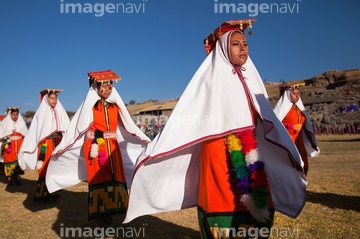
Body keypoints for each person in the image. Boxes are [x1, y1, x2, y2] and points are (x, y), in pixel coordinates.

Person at [124, 20, 307, 239]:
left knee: (257, 200)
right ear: (223, 48)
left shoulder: (252, 83)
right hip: (219, 151)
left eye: (245, 44)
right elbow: (189, 117)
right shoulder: (209, 82)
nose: (243, 48)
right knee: (223, 198)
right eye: (236, 44)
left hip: (251, 147)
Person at [45, 70, 150, 228]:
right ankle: (98, 217)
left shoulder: (115, 107)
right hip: (95, 146)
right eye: (103, 87)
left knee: (114, 177)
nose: (107, 90)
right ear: (96, 87)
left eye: (110, 87)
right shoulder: (90, 106)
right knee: (98, 178)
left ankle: (110, 213)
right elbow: (79, 126)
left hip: (112, 147)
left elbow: (127, 125)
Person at [18, 89, 70, 201]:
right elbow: (37, 130)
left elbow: (66, 126)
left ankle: (54, 192)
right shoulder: (41, 112)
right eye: (51, 98)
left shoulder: (60, 111)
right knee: (45, 166)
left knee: (55, 166)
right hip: (46, 144)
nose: (54, 100)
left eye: (56, 98)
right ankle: (43, 194)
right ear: (47, 99)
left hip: (57, 143)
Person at [273, 84, 320, 176]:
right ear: (288, 94)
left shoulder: (299, 109)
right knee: (290, 164)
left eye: (299, 93)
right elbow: (275, 124)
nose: (297, 96)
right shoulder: (283, 109)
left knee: (302, 162)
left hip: (299, 140)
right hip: (288, 141)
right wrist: (289, 127)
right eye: (294, 94)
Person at [0, 107, 28, 186]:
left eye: (16, 114)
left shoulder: (21, 123)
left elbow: (25, 134)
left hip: (19, 144)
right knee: (9, 160)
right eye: (13, 114)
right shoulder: (5, 124)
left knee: (17, 161)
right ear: (10, 115)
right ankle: (10, 178)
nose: (15, 116)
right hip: (9, 145)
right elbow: (2, 134)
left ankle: (16, 177)